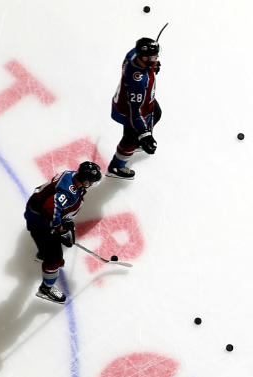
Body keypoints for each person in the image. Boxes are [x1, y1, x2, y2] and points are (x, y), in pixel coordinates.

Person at [24, 161, 102, 303]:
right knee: (54, 258)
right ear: (85, 181)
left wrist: (65, 224)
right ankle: (46, 289)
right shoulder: (68, 191)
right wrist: (59, 228)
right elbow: (50, 207)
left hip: (40, 217)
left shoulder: (71, 175)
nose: (91, 185)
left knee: (51, 245)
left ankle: (43, 252)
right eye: (91, 182)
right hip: (41, 222)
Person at [107, 37, 162, 180]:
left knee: (157, 112)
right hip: (130, 113)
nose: (157, 58)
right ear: (144, 58)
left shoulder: (133, 55)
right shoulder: (138, 81)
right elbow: (135, 112)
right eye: (153, 56)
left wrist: (153, 64)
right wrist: (144, 134)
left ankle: (139, 140)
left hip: (144, 106)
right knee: (130, 139)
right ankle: (117, 166)